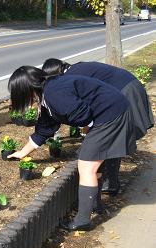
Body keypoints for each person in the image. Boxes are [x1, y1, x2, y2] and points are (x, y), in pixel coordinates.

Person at [7, 66, 136, 231]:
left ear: (25, 89)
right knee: (94, 161)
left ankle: (83, 220)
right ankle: (95, 205)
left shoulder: (53, 92)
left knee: (86, 166)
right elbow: (45, 129)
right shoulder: (46, 94)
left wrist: (87, 130)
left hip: (111, 114)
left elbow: (82, 114)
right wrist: (22, 153)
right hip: (110, 111)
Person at [42, 59, 154, 195]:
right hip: (128, 86)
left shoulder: (70, 76)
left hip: (124, 92)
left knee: (112, 139)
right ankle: (110, 183)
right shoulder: (76, 69)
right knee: (112, 139)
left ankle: (110, 184)